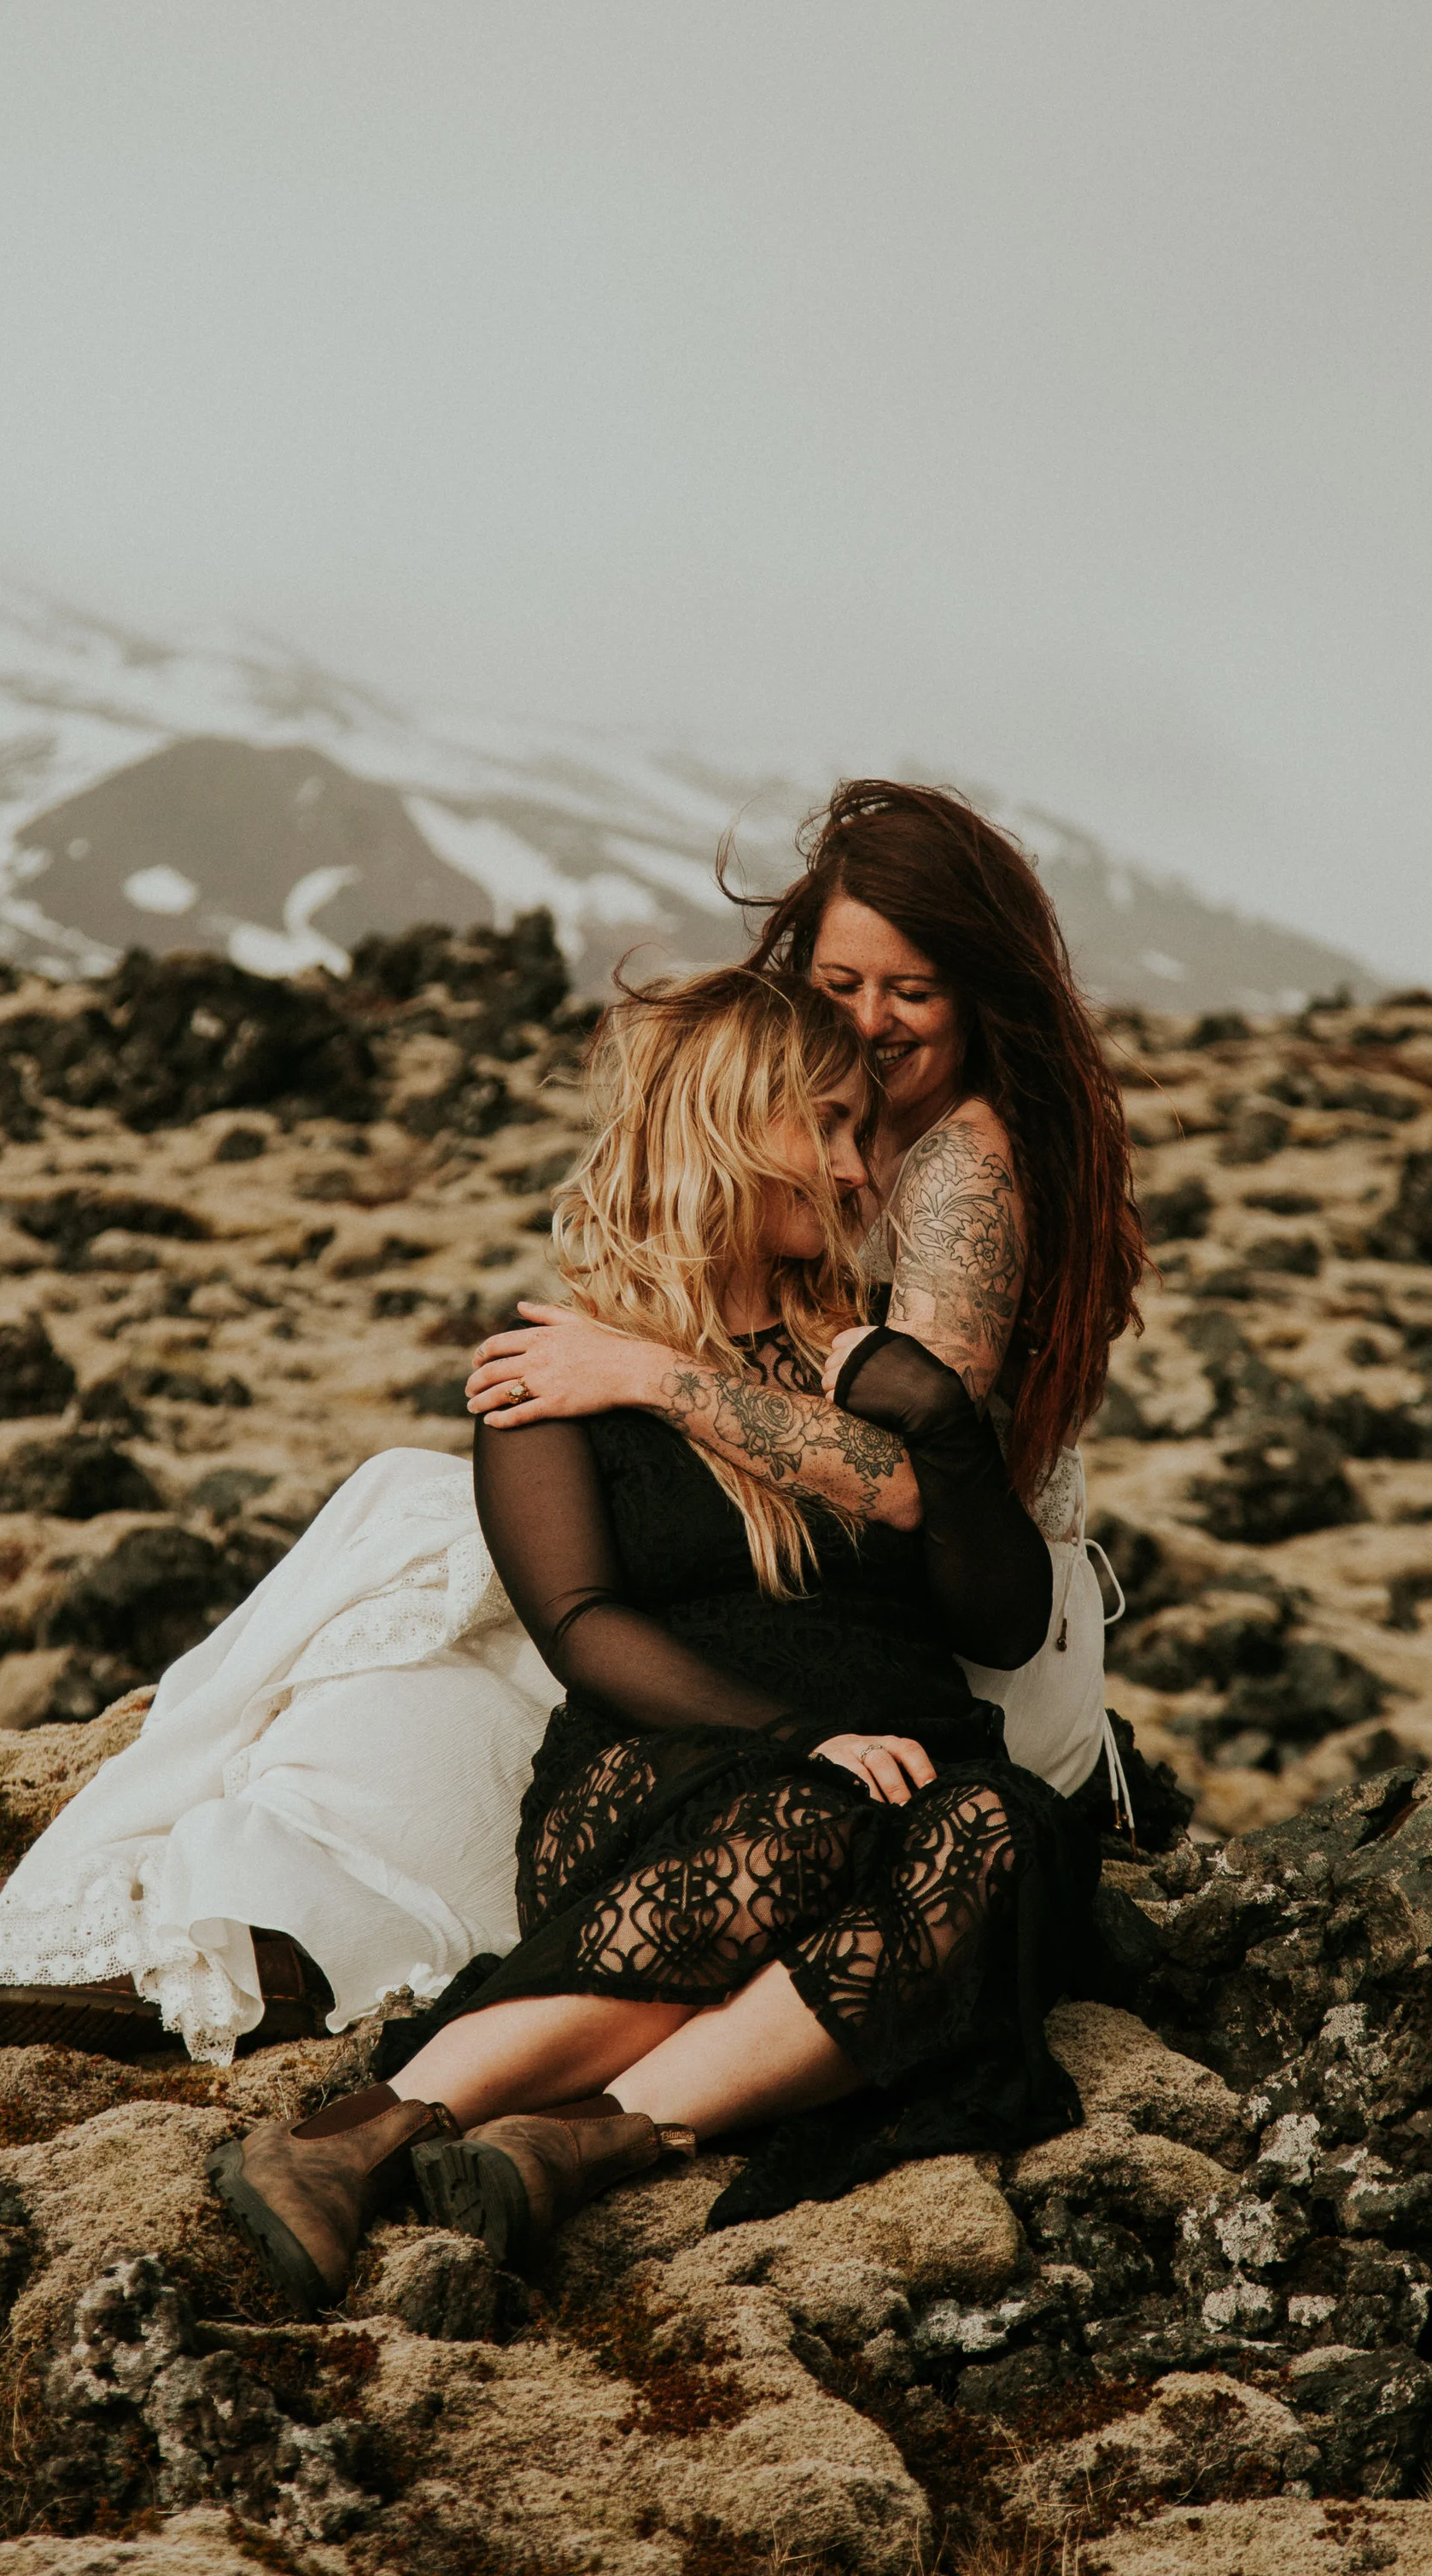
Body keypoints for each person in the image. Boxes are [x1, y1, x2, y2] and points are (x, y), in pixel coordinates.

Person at [208, 962, 1118, 2321]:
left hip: (908, 1767)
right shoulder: (555, 1372)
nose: (867, 1168)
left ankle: (582, 2140)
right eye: (837, 1124)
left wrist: (934, 1416)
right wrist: (798, 1735)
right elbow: (584, 1627)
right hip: (663, 1775)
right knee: (818, 1820)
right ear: (744, 1123)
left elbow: (997, 1614)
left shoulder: (855, 1365)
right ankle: (357, 2131)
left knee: (1003, 1835)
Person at [461, 777, 1152, 1814]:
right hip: (795, 1565)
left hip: (930, 1612)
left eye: (912, 992)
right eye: (839, 983)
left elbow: (913, 1477)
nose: (869, 1022)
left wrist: (646, 1375)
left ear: (977, 995)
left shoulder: (959, 1168)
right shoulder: (793, 1111)